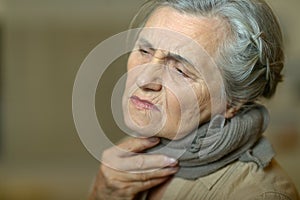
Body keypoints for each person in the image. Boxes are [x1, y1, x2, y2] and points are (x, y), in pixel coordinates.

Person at [88, 0, 299, 199]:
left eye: (180, 70)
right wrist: (103, 194)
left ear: (232, 102)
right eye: (144, 51)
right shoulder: (131, 152)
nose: (143, 79)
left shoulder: (258, 194)